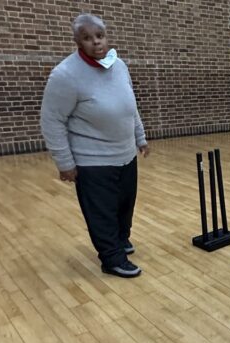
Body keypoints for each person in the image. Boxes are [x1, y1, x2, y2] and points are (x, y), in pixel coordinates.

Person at [40, 14, 149, 278]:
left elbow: (129, 105)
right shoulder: (65, 75)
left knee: (124, 205)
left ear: (106, 36)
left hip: (125, 155)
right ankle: (111, 258)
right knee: (101, 212)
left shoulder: (119, 65)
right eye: (87, 38)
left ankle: (121, 240)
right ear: (77, 41)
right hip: (93, 160)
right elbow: (52, 121)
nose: (95, 42)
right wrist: (65, 163)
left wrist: (140, 137)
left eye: (99, 36)